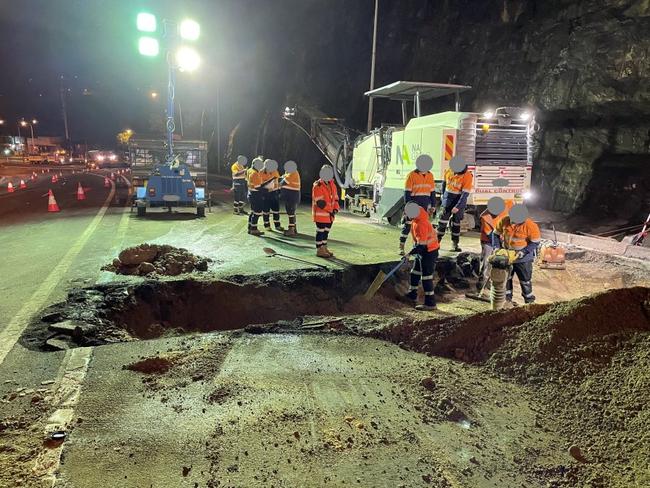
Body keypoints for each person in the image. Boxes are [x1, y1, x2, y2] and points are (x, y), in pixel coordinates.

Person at [492, 204, 541, 304]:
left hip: (523, 259)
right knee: (507, 278)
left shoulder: (530, 226)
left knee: (525, 280)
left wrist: (523, 252)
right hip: (506, 256)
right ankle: (507, 299)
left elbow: (535, 242)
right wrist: (497, 247)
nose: (514, 223)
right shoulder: (504, 220)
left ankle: (529, 300)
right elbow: (495, 234)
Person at [402, 201, 439, 311]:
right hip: (424, 250)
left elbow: (421, 245)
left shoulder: (420, 224)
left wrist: (409, 254)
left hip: (429, 251)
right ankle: (413, 294)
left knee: (426, 277)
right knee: (415, 272)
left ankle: (430, 303)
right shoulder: (417, 218)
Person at [399, 154, 437, 255]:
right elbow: (407, 192)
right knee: (407, 226)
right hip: (413, 204)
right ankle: (401, 247)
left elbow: (432, 192)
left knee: (420, 229)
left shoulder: (430, 175)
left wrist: (433, 205)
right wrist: (408, 208)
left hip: (424, 206)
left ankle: (417, 247)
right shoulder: (411, 175)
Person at [437, 156, 473, 252]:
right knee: (442, 222)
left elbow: (464, 194)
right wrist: (442, 196)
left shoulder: (467, 176)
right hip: (448, 199)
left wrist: (457, 207)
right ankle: (436, 243)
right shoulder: (449, 171)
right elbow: (444, 184)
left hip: (459, 200)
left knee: (456, 224)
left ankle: (455, 244)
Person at [477, 196, 513, 289]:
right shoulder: (485, 217)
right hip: (488, 241)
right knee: (487, 262)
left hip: (504, 238)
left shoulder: (508, 203)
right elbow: (490, 234)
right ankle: (482, 282)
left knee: (505, 262)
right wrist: (497, 247)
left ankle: (500, 282)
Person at [312, 165, 340, 258]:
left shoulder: (333, 185)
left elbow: (336, 199)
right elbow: (320, 202)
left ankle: (324, 247)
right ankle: (319, 249)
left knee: (326, 232)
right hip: (322, 215)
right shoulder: (318, 185)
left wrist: (335, 209)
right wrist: (331, 210)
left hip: (330, 215)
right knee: (320, 232)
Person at [260, 159, 284, 231]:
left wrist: (277, 188)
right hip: (265, 193)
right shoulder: (261, 172)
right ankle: (267, 225)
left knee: (276, 210)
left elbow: (277, 181)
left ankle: (277, 225)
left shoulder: (274, 171)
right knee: (266, 210)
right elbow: (260, 184)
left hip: (274, 193)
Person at [280, 160, 301, 236]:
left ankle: (291, 230)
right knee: (292, 212)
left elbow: (282, 183)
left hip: (292, 196)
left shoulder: (292, 173)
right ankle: (293, 228)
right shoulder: (291, 173)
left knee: (291, 213)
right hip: (292, 195)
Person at [247, 158, 266, 236]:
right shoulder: (254, 173)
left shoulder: (249, 170)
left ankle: (250, 227)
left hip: (251, 193)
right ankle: (254, 229)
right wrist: (266, 189)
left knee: (253, 211)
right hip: (256, 194)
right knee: (257, 212)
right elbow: (258, 187)